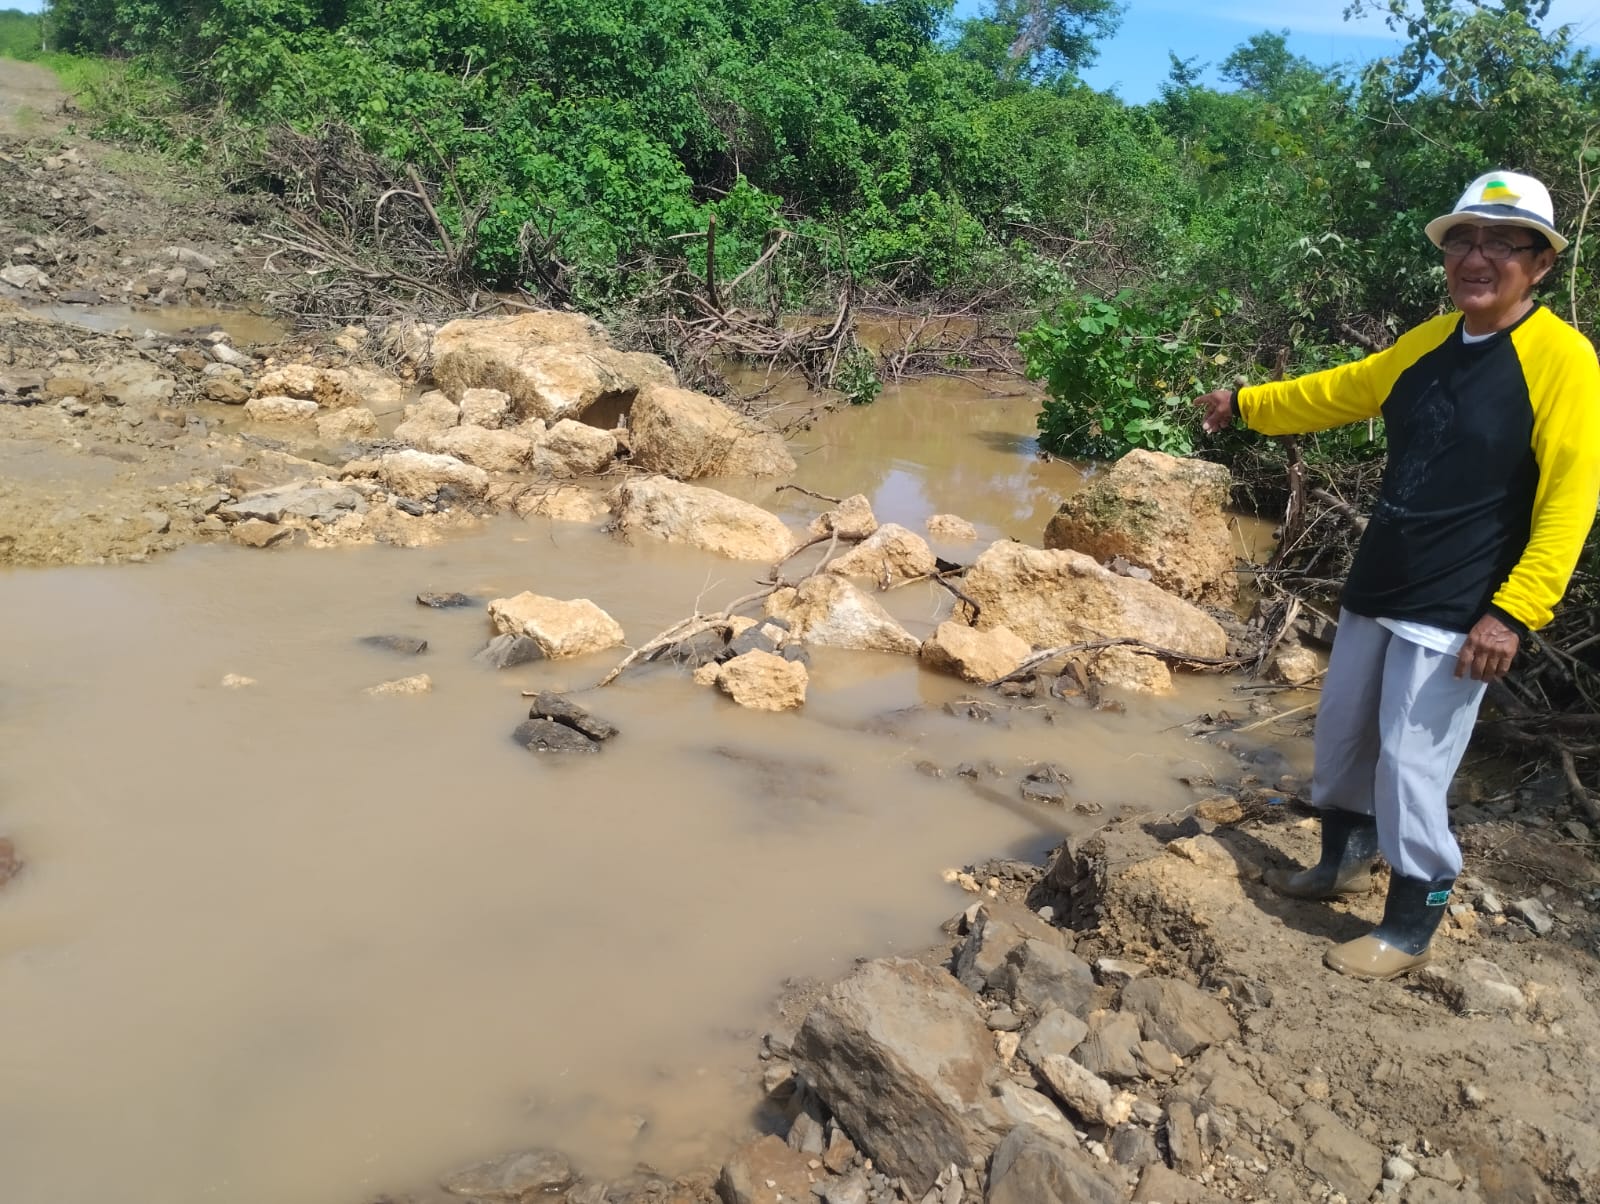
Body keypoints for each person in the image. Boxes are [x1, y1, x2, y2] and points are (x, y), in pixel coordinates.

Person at [1193, 169, 1600, 981]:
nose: (1476, 258)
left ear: (1541, 263)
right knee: (1344, 737)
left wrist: (1515, 612)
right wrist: (1247, 403)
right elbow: (1343, 390)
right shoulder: (1430, 342)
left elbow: (1571, 497)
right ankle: (1341, 863)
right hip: (1382, 580)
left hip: (1462, 603)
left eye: (1500, 243)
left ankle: (1414, 920)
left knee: (1414, 765)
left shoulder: (1563, 360)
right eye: (1463, 241)